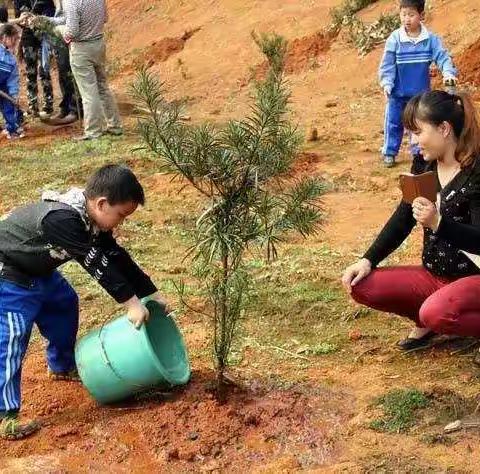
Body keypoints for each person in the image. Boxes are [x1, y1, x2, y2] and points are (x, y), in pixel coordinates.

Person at [0, 164, 169, 440]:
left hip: (38, 271)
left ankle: (62, 366)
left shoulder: (90, 219)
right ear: (102, 204)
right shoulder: (62, 220)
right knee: (12, 336)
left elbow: (116, 257)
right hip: (8, 274)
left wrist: (149, 293)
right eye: (121, 216)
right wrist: (130, 303)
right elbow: (96, 264)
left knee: (64, 304)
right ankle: (4, 415)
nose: (121, 223)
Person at [342, 90, 480, 352]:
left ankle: (440, 317)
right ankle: (426, 321)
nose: (413, 141)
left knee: (436, 312)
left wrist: (439, 223)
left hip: (474, 277)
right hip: (435, 274)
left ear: (444, 129)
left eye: (418, 132)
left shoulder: (476, 171)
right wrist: (368, 259)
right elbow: (404, 217)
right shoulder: (424, 166)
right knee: (362, 286)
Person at [379, 0, 457, 168]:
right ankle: (389, 152)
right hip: (397, 94)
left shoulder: (429, 40)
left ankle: (418, 154)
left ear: (421, 15)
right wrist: (387, 82)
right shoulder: (395, 39)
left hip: (420, 95)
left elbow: (443, 57)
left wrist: (449, 73)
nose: (407, 19)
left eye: (411, 15)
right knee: (393, 122)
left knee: (418, 125)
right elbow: (388, 64)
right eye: (403, 14)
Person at [64, 0, 122, 140]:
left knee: (88, 92)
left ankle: (93, 131)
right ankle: (115, 125)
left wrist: (61, 31)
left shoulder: (71, 2)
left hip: (82, 49)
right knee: (103, 87)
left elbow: (72, 31)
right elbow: (105, 18)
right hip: (98, 44)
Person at [27, 0, 82, 123]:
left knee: (69, 74)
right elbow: (60, 18)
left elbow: (67, 22)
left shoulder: (69, 3)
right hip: (58, 38)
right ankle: (66, 107)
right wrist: (44, 20)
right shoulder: (59, 4)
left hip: (69, 39)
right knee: (63, 73)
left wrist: (46, 21)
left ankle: (75, 109)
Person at [14, 0, 56, 117]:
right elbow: (18, 16)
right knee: (30, 72)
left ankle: (48, 105)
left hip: (44, 36)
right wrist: (24, 21)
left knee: (44, 70)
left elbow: (52, 12)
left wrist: (39, 19)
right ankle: (33, 107)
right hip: (28, 37)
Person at [0, 23, 24, 139]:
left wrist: (14, 95)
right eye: (14, 39)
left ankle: (12, 130)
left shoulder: (11, 59)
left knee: (9, 107)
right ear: (4, 37)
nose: (16, 42)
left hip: (3, 87)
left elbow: (12, 79)